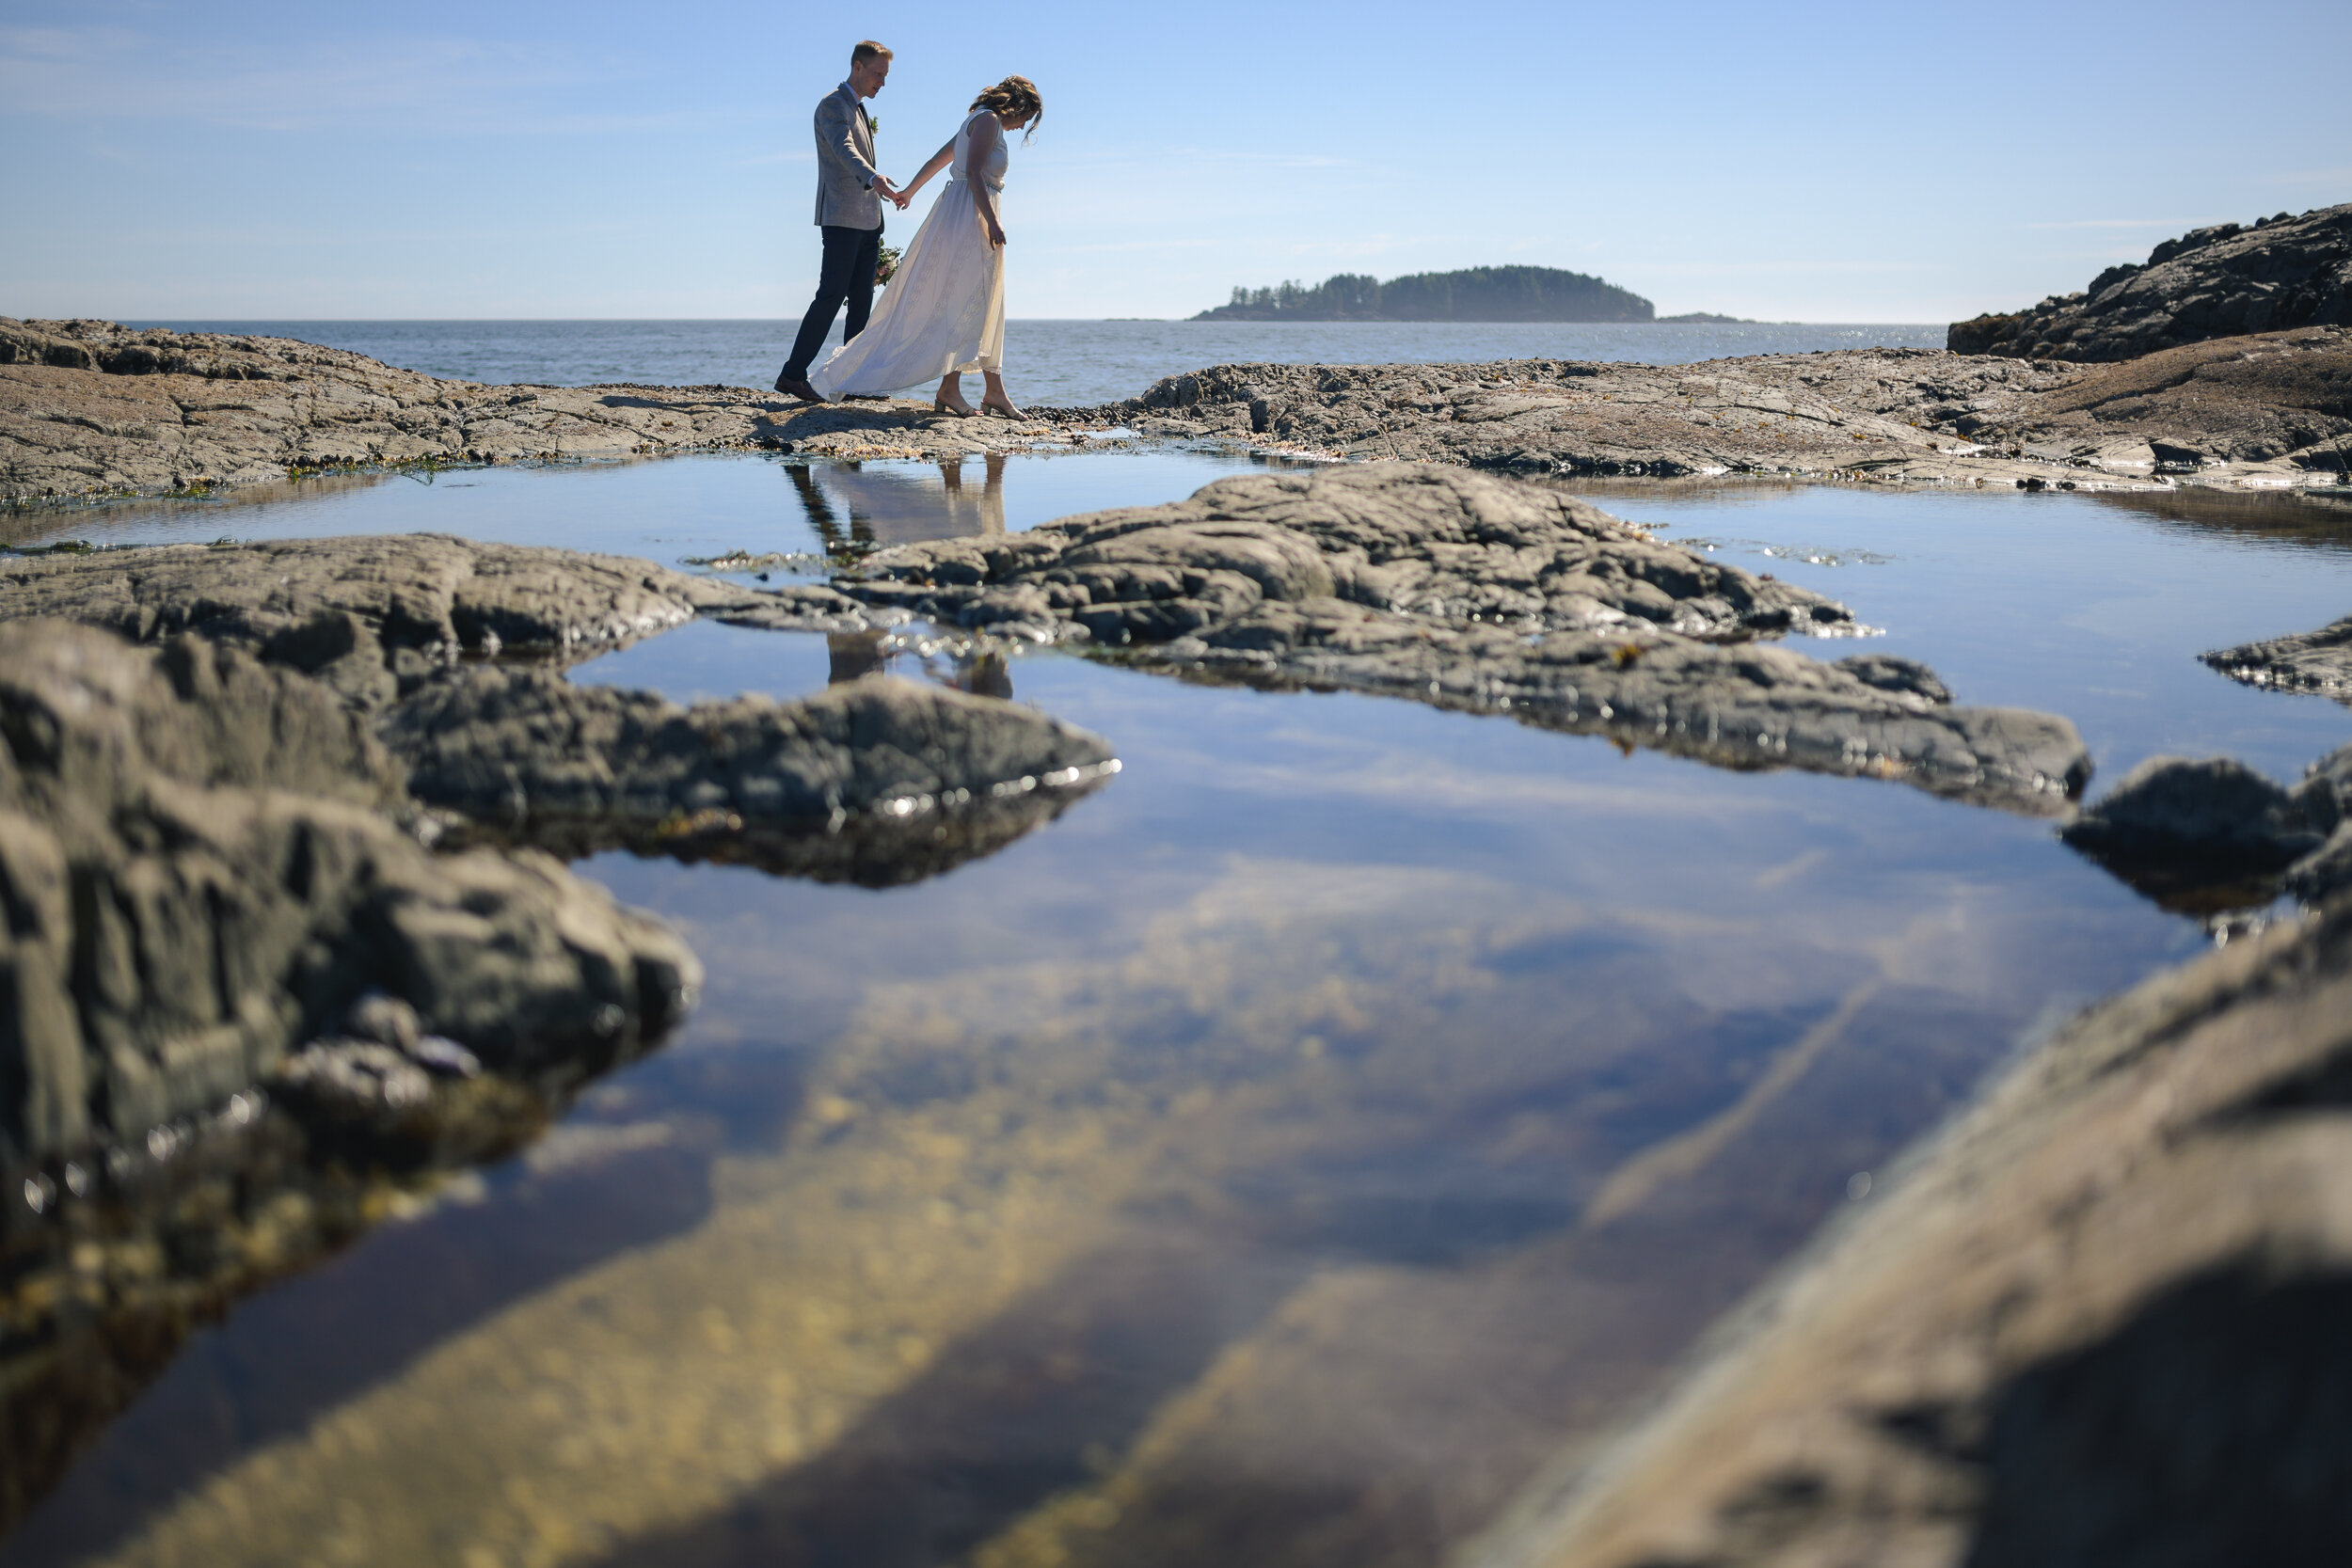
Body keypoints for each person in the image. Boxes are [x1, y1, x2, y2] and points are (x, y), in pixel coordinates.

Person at [808, 76, 1041, 417]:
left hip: (964, 209)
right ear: (1017, 105)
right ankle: (951, 389)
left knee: (984, 299)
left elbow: (938, 161)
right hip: (971, 214)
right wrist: (992, 220)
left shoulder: (977, 121)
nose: (1022, 126)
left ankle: (993, 391)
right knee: (966, 300)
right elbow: (974, 172)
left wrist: (910, 192)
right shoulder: (989, 121)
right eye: (1026, 117)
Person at [774, 41, 903, 404]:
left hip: (867, 222)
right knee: (830, 296)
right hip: (842, 220)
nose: (883, 82)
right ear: (858, 67)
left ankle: (854, 380)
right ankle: (792, 375)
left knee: (862, 300)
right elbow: (843, 147)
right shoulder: (833, 104)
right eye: (879, 74)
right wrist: (873, 177)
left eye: (885, 75)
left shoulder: (859, 109)